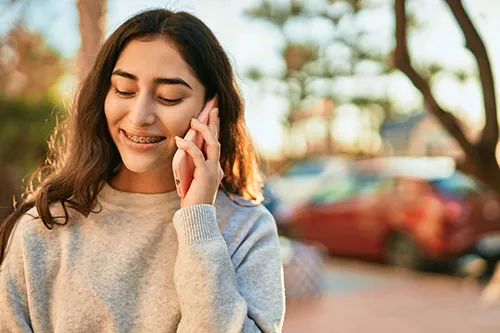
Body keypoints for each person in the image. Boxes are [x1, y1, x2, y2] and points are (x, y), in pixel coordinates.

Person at [0, 9, 285, 333]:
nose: (139, 116)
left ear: (212, 110)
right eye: (124, 90)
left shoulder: (247, 228)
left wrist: (198, 220)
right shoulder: (46, 225)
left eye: (169, 97)